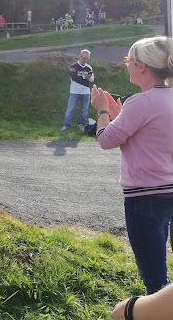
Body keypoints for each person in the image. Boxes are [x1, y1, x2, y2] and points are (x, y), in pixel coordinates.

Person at [91, 36, 173, 295]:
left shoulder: (140, 102)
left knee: (155, 279)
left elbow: (105, 140)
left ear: (141, 66)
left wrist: (102, 111)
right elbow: (149, 134)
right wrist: (118, 117)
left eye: (128, 60)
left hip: (144, 196)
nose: (125, 65)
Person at [61, 49, 95, 131]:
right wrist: (84, 77)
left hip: (85, 91)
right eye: (84, 58)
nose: (85, 60)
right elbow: (74, 77)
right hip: (74, 92)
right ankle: (66, 125)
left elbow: (92, 80)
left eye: (87, 58)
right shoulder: (73, 66)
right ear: (80, 56)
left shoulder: (89, 67)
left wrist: (89, 77)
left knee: (84, 110)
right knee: (70, 109)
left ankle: (81, 125)